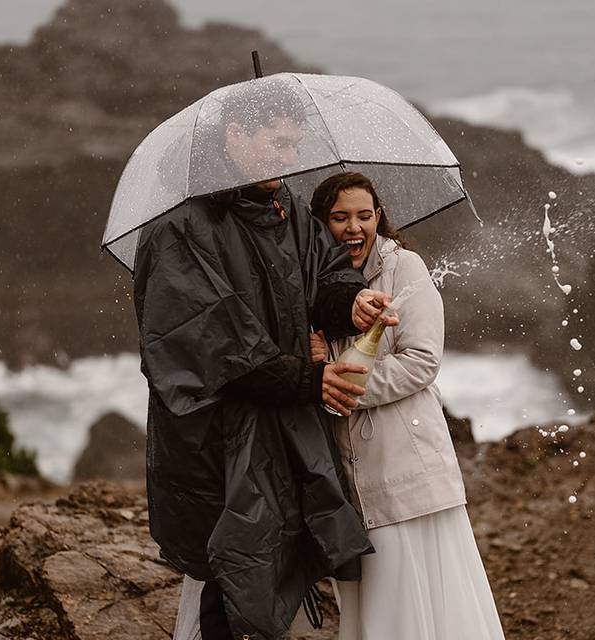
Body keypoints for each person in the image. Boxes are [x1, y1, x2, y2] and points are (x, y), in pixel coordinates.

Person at [133, 85, 396, 639]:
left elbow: (324, 276)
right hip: (221, 433)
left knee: (282, 547)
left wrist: (350, 302)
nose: (289, 155)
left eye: (295, 142)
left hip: (286, 418)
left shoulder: (290, 211)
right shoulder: (179, 228)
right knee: (234, 559)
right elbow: (211, 344)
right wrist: (308, 377)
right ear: (236, 137)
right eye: (278, 141)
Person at [310, 172, 508, 639]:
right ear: (321, 224)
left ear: (379, 216)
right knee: (376, 605)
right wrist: (315, 363)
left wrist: (343, 385)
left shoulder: (407, 269)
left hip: (408, 469)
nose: (353, 227)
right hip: (350, 475)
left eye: (364, 215)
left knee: (424, 602)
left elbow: (422, 361)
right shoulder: (314, 286)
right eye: (339, 217)